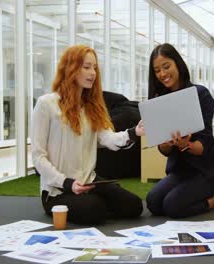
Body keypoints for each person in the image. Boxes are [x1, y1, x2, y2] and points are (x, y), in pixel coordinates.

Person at [32, 45, 144, 225]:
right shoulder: (46, 104)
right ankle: (89, 204)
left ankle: (93, 203)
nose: (93, 73)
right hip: (58, 190)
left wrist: (134, 132)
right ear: (70, 68)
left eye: (94, 68)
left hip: (89, 182)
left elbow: (108, 138)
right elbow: (38, 157)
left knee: (135, 206)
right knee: (95, 210)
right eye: (86, 67)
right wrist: (67, 183)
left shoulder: (91, 107)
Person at [145, 43, 214, 218]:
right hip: (180, 171)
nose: (162, 74)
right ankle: (193, 195)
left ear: (178, 64)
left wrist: (185, 145)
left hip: (208, 171)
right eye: (157, 70)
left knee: (172, 206)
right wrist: (167, 144)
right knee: (153, 202)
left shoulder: (201, 94)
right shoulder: (159, 101)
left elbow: (203, 147)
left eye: (166, 66)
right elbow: (163, 150)